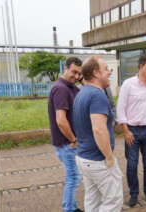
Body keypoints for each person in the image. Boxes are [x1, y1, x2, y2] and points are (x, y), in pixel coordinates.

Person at [73, 56, 123, 212]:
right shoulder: (97, 95)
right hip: (98, 160)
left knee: (92, 200)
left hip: (83, 157)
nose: (109, 72)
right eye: (106, 69)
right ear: (96, 73)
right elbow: (98, 129)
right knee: (113, 201)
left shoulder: (81, 93)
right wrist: (109, 157)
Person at [116, 54, 146, 207]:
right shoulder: (128, 84)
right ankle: (134, 194)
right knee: (132, 165)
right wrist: (125, 130)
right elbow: (120, 108)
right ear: (141, 66)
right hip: (132, 131)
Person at [47, 57, 83, 212]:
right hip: (67, 143)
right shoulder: (61, 88)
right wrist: (73, 139)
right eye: (74, 72)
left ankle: (71, 207)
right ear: (65, 68)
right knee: (73, 177)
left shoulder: (72, 87)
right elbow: (61, 120)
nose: (76, 76)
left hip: (70, 142)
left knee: (74, 176)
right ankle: (69, 209)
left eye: (79, 74)